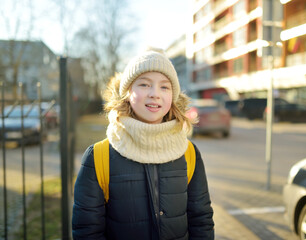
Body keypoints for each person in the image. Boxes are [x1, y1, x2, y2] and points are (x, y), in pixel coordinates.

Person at [72, 48, 215, 240]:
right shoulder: (98, 157)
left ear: (173, 96)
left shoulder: (188, 152)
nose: (155, 94)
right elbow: (87, 231)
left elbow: (201, 220)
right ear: (127, 93)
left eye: (164, 87)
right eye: (145, 84)